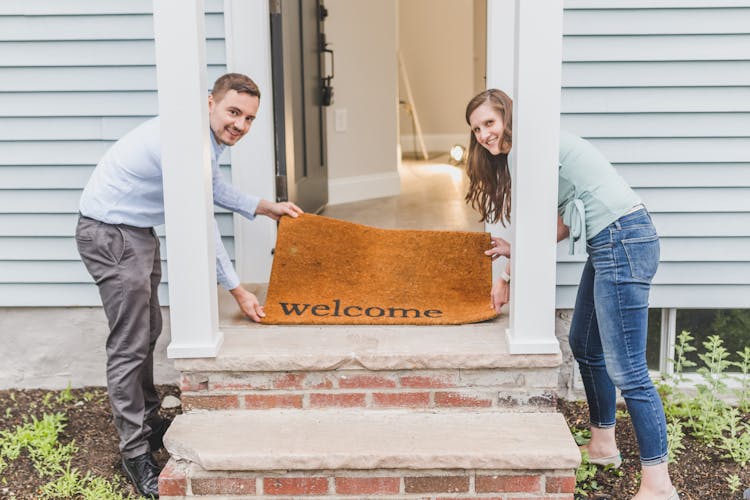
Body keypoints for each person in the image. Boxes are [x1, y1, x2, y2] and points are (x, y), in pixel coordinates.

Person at [75, 73, 302, 498]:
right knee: (130, 341)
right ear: (211, 102)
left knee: (149, 329)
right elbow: (203, 220)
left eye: (249, 118)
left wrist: (263, 207)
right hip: (111, 233)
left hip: (135, 232)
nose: (240, 125)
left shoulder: (202, 141)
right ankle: (135, 452)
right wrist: (236, 288)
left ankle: (145, 416)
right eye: (233, 112)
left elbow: (211, 189)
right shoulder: (182, 142)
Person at [464, 89, 678, 500]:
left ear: (507, 117)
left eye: (489, 123)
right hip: (612, 242)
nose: (484, 135)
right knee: (582, 340)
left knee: (629, 369)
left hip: (623, 239)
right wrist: (515, 252)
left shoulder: (530, 149)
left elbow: (553, 224)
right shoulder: (530, 149)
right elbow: (561, 221)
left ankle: (659, 484)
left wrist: (506, 277)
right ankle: (602, 445)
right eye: (476, 129)